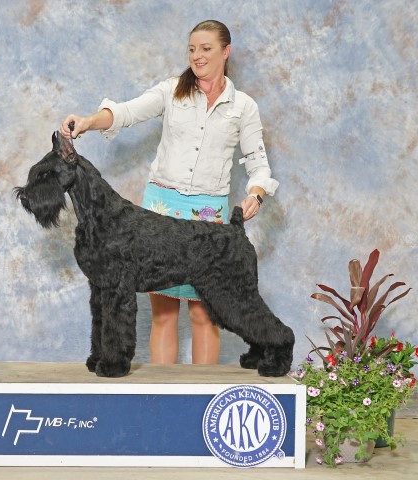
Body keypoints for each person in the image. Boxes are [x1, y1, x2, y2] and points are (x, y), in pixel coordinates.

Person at [60, 19, 278, 366]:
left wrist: (256, 193)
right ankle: (165, 396)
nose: (197, 56)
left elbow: (258, 162)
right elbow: (126, 111)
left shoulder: (244, 107)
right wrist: (88, 121)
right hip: (163, 206)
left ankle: (202, 394)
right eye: (192, 49)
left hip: (208, 212)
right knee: (163, 314)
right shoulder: (172, 91)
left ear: (226, 51)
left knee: (204, 315)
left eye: (206, 48)